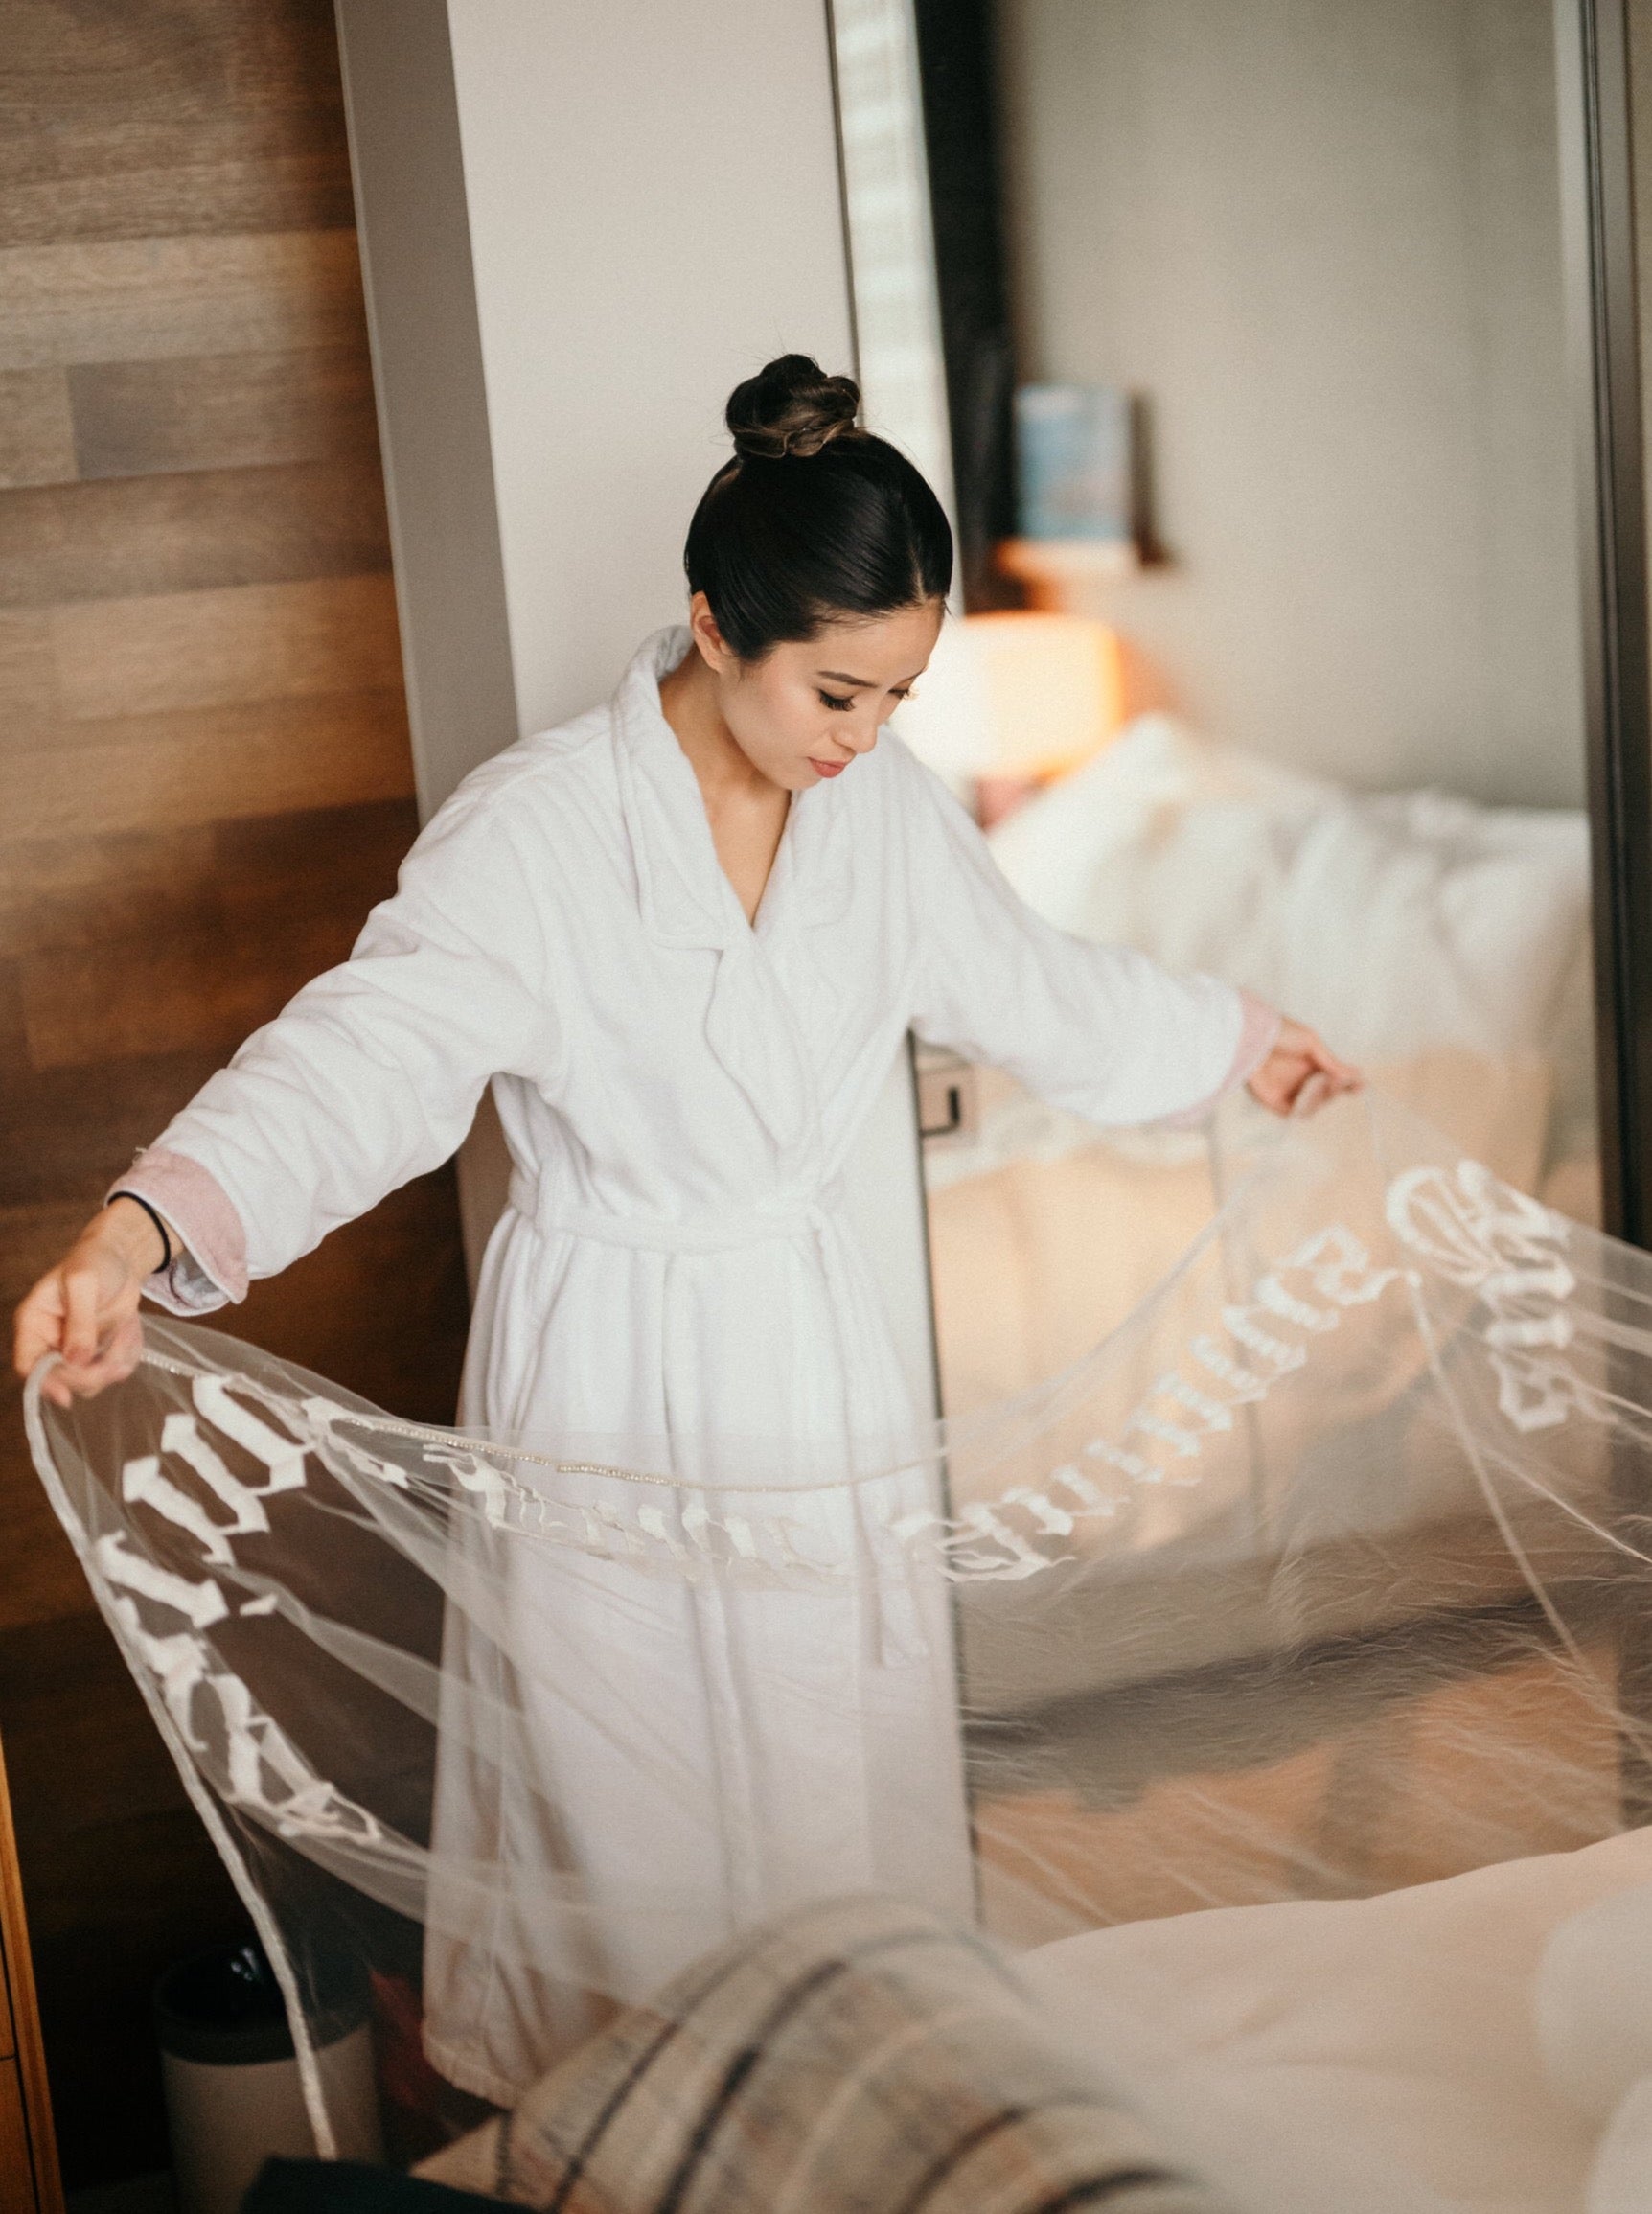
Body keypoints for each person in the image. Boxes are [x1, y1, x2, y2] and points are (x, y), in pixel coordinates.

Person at [12, 355, 1359, 2096]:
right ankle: (640, 2125)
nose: (861, 737)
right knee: (626, 1788)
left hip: (805, 1351)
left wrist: (1237, 1041)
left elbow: (1035, 984)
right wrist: (137, 1231)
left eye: (899, 696)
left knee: (827, 1765)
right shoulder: (542, 829)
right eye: (836, 689)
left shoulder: (882, 813)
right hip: (610, 1366)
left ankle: (829, 2101)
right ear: (716, 626)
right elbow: (363, 1055)